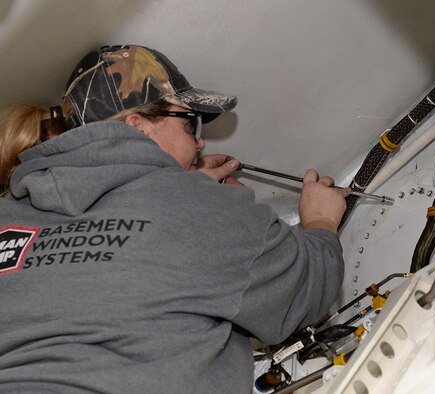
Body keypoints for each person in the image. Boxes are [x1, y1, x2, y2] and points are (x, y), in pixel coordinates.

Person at [0, 44, 350, 393]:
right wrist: (320, 220)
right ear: (139, 127)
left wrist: (186, 194)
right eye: (190, 125)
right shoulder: (202, 207)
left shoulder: (8, 214)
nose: (199, 145)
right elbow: (306, 287)